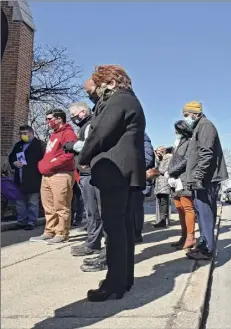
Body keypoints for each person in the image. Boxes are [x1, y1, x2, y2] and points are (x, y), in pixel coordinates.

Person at [79, 65, 146, 302]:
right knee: (123, 228)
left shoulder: (119, 100)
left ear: (111, 83)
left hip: (116, 172)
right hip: (125, 173)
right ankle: (124, 279)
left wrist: (83, 158)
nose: (97, 93)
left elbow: (101, 133)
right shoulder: (130, 100)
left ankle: (114, 283)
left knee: (115, 228)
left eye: (99, 86)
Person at [81, 132, 154, 273]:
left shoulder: (139, 136)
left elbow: (146, 158)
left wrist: (124, 169)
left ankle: (110, 259)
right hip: (115, 179)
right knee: (112, 222)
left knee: (118, 222)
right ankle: (109, 257)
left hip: (124, 180)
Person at [181, 101, 228, 261]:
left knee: (206, 214)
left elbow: (206, 153)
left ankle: (207, 249)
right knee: (201, 214)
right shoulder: (199, 127)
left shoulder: (205, 126)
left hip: (206, 179)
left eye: (187, 115)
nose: (185, 118)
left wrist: (198, 176)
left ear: (196, 113)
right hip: (201, 179)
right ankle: (203, 244)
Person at [29, 109, 76, 244]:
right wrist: (43, 164)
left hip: (61, 174)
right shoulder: (53, 135)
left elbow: (69, 154)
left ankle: (62, 233)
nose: (48, 122)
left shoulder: (68, 133)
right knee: (48, 206)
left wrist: (51, 164)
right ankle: (49, 231)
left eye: (50, 119)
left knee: (61, 206)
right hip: (47, 176)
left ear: (59, 119)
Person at [64, 102, 103, 256]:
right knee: (91, 211)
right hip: (86, 173)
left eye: (75, 114)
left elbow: (89, 145)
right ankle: (92, 241)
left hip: (91, 172)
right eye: (71, 116)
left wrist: (73, 145)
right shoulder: (85, 126)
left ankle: (94, 244)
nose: (73, 117)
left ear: (84, 111)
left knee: (94, 211)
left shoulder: (90, 124)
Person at [8, 125, 45, 230]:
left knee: (33, 202)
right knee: (20, 202)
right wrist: (14, 163)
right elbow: (11, 157)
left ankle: (31, 222)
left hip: (34, 178)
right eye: (20, 133)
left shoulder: (39, 145)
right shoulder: (18, 145)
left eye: (24, 133)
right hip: (19, 177)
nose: (22, 135)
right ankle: (21, 221)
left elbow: (44, 160)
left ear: (31, 133)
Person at [167, 120, 196, 250]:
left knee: (188, 209)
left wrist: (172, 171)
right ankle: (184, 236)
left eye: (177, 130)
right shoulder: (178, 144)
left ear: (182, 130)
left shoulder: (189, 142)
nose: (175, 133)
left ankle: (191, 237)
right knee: (180, 210)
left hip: (183, 180)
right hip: (174, 181)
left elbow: (187, 160)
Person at [152, 146, 173, 228]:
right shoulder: (160, 159)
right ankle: (161, 220)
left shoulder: (167, 158)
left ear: (163, 151)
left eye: (159, 151)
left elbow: (163, 170)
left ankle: (163, 220)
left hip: (164, 183)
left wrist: (158, 162)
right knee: (160, 202)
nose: (157, 153)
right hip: (158, 183)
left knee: (164, 202)